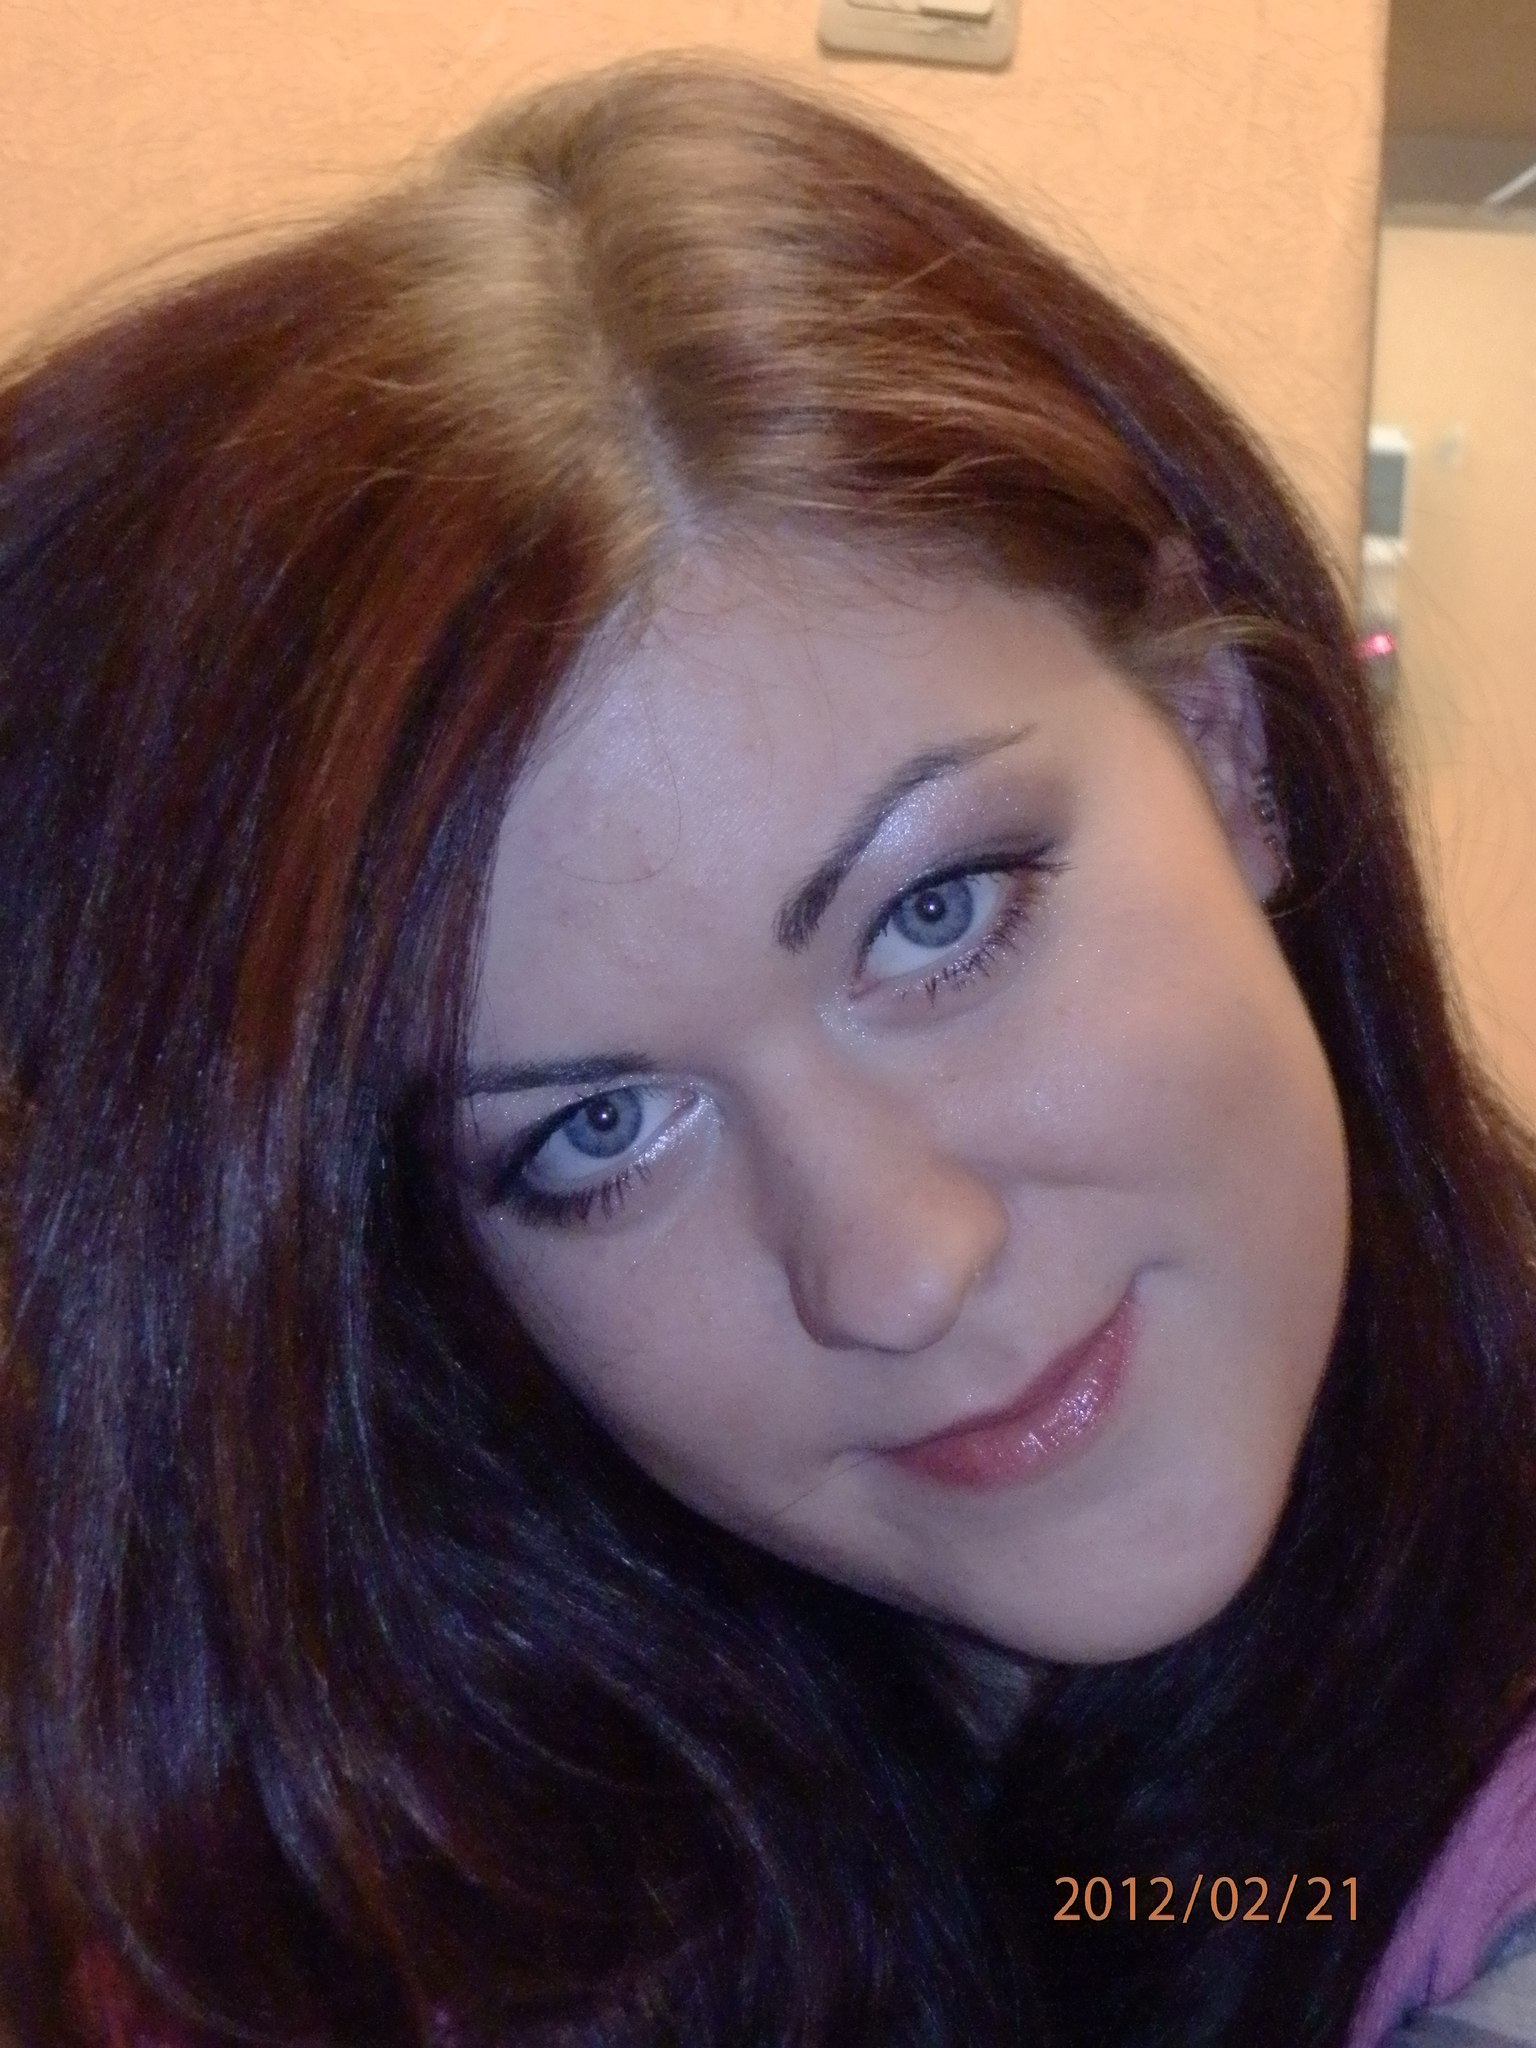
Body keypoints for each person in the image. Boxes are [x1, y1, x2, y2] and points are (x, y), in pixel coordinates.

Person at [2, 53, 1536, 2048]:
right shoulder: (374, 1886)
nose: (895, 1266)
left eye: (939, 913)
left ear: (1221, 744)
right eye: (598, 1130)